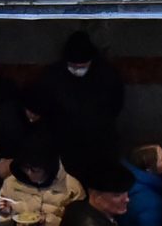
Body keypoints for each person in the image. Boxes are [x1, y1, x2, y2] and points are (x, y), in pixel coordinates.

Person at [44, 32, 126, 176]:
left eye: (81, 66)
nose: (77, 69)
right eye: (73, 65)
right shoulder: (54, 76)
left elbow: (115, 104)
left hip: (100, 142)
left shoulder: (106, 75)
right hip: (65, 142)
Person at [0, 131, 83, 226]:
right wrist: (5, 215)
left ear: (48, 167)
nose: (28, 173)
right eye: (25, 167)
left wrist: (48, 224)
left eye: (35, 169)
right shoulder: (11, 183)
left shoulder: (71, 187)